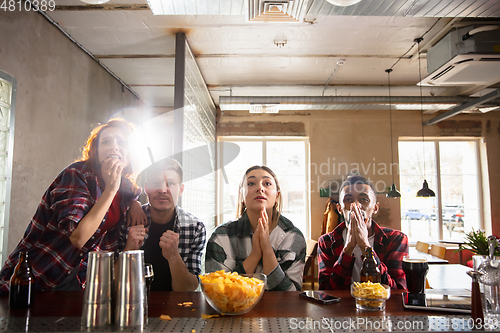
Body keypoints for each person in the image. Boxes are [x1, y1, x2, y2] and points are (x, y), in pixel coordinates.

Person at [0, 118, 145, 293]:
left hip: (76, 278)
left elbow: (135, 193)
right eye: (106, 141)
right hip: (38, 273)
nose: (114, 147)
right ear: (96, 151)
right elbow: (78, 237)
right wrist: (110, 190)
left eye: (122, 142)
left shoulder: (125, 187)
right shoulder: (77, 174)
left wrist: (135, 203)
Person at [205, 165, 306, 291]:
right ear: (241, 195)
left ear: (277, 196)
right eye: (251, 183)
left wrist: (267, 251)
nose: (260, 188)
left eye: (267, 183)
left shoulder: (293, 237)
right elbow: (217, 292)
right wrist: (254, 255)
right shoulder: (221, 236)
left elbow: (291, 295)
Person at [118, 158, 206, 291]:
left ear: (181, 190)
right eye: (155, 183)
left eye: (170, 183)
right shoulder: (128, 221)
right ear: (146, 188)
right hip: (133, 304)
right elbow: (112, 281)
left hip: (176, 308)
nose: (163, 190)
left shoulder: (195, 228)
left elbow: (189, 289)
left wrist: (174, 257)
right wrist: (129, 249)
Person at [318, 174, 408, 290]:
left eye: (364, 199)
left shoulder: (396, 239)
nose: (356, 206)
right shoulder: (326, 242)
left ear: (375, 208)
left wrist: (365, 247)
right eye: (348, 200)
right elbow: (327, 293)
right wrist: (348, 249)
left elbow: (398, 292)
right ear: (339, 209)